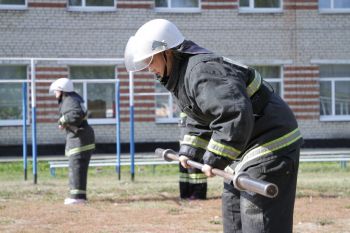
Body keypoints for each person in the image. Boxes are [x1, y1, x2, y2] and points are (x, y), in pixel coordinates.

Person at [124, 18, 303, 233]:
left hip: (270, 142)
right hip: (245, 146)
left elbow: (233, 114)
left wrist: (214, 159)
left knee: (258, 217)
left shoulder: (202, 71)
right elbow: (199, 119)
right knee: (233, 214)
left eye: (150, 59)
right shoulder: (183, 77)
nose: (147, 67)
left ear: (167, 52)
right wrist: (189, 153)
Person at [49, 78, 95, 205]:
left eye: (56, 91)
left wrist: (62, 121)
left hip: (79, 140)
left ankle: (77, 198)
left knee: (76, 168)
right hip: (83, 138)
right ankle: (80, 196)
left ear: (61, 90)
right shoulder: (74, 99)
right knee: (78, 168)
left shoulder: (69, 100)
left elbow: (75, 114)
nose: (55, 94)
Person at [178, 112, 207, 200]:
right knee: (184, 172)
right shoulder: (182, 103)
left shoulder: (195, 102)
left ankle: (198, 193)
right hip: (184, 142)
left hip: (196, 142)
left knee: (196, 170)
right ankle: (185, 193)